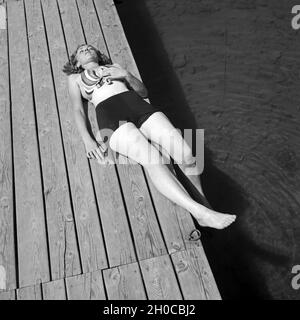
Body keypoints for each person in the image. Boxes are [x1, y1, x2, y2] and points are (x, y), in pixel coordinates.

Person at [63, 44, 236, 229]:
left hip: (140, 108)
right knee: (153, 159)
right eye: (81, 51)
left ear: (98, 54)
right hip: (111, 116)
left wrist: (126, 75)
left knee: (186, 155)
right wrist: (88, 140)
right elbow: (77, 110)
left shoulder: (116, 67)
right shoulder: (75, 78)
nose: (86, 50)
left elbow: (144, 93)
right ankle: (200, 212)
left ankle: (203, 204)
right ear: (77, 63)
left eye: (90, 48)